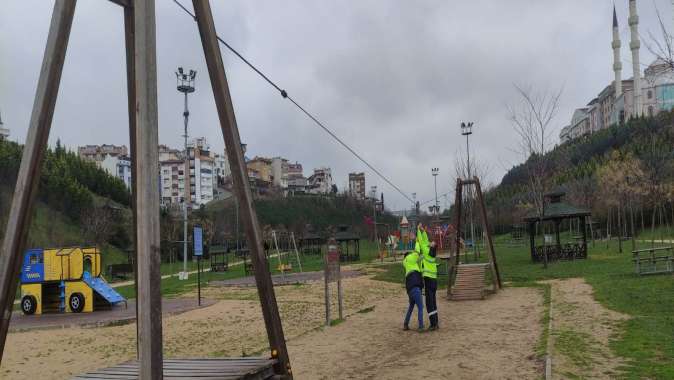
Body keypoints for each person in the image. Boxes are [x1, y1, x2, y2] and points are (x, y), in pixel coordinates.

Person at [417, 222, 439, 330]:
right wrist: (424, 231)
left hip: (429, 280)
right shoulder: (431, 253)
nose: (431, 242)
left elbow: (421, 242)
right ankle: (436, 322)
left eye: (432, 243)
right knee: (433, 301)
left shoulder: (426, 251)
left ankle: (433, 324)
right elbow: (425, 241)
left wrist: (418, 230)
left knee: (429, 302)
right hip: (434, 281)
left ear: (431, 247)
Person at [403, 249, 424, 332]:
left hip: (409, 289)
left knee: (411, 306)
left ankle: (405, 324)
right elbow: (420, 255)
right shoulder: (412, 259)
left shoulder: (406, 265)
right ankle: (421, 326)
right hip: (415, 288)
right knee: (420, 307)